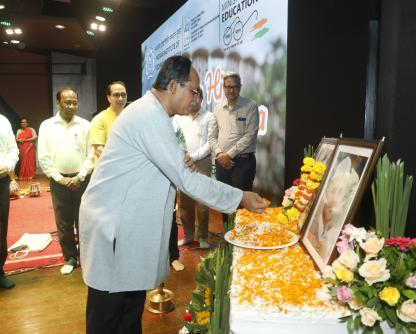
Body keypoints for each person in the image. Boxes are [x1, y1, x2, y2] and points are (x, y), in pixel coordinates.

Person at [79, 56, 266, 334]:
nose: (196, 98)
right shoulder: (147, 115)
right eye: (194, 90)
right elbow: (185, 178)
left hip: (124, 225)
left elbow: (174, 167)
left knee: (129, 311)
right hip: (113, 228)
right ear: (175, 86)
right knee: (107, 315)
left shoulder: (154, 115)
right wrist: (240, 197)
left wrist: (182, 161)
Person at [38, 87, 93, 275]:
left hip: (82, 180)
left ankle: (85, 257)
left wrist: (81, 176)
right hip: (58, 181)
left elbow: (91, 154)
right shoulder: (47, 125)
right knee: (63, 221)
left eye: (74, 102)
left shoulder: (86, 125)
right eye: (67, 102)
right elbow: (43, 157)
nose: (71, 106)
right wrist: (60, 179)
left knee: (84, 220)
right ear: (58, 103)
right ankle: (70, 257)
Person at [208, 71, 259, 223]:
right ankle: (227, 236)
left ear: (240, 87)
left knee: (242, 205)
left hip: (243, 163)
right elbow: (211, 137)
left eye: (235, 87)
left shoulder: (250, 106)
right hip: (221, 163)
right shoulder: (217, 108)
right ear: (223, 88)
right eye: (228, 87)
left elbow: (250, 136)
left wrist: (228, 155)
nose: (231, 90)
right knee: (225, 201)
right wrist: (219, 154)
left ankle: (241, 241)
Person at [172, 89, 214, 248]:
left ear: (202, 99)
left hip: (202, 162)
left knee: (202, 202)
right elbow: (174, 139)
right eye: (191, 95)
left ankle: (202, 237)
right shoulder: (178, 117)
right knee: (184, 203)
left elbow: (211, 143)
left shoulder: (209, 117)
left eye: (198, 96)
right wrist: (182, 157)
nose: (194, 99)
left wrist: (193, 157)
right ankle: (189, 236)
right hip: (183, 163)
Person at [0, 114, 19, 289]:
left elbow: (13, 150)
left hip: (1, 180)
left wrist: (6, 166)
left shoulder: (3, 121)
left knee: (0, 228)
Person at [90, 81, 127, 162]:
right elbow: (98, 149)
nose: (121, 98)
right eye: (116, 95)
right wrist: (119, 162)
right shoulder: (99, 119)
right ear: (108, 98)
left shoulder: (131, 117)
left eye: (123, 95)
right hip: (107, 168)